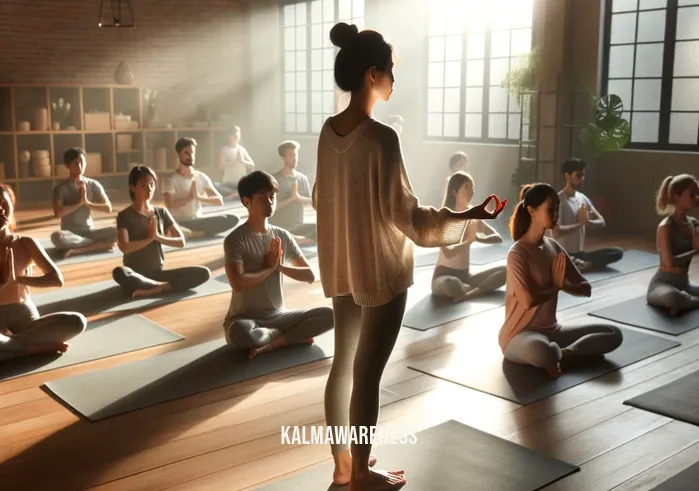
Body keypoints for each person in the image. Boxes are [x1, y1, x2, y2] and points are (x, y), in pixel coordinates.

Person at [314, 23, 507, 491]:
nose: (395, 80)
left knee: (343, 366)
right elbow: (412, 220)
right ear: (372, 73)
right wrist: (468, 216)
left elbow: (322, 197)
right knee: (365, 375)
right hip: (378, 272)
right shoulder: (381, 138)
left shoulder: (327, 131)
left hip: (340, 266)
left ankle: (344, 466)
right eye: (392, 71)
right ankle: (360, 475)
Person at [500, 183, 623, 379]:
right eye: (551, 209)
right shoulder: (517, 253)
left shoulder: (553, 247)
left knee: (613, 333)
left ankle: (564, 356)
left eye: (557, 208)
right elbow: (527, 301)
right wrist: (555, 286)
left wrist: (564, 285)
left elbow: (585, 288)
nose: (556, 214)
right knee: (540, 350)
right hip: (520, 335)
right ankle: (556, 356)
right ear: (531, 211)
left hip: (553, 331)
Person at [223, 171, 333, 359]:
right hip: (245, 320)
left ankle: (274, 342)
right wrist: (269, 268)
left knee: (330, 315)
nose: (270, 201)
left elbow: (309, 275)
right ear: (246, 201)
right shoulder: (235, 239)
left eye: (272, 196)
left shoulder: (282, 236)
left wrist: (279, 266)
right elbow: (238, 283)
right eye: (262, 197)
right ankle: (281, 335)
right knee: (239, 333)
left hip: (280, 316)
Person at [0, 183, 86, 362]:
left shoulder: (25, 243)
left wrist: (17, 279)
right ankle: (30, 348)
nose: (0, 210)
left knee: (77, 321)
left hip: (24, 313)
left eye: (3, 203)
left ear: (12, 206)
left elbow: (56, 279)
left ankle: (11, 346)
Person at [113, 166, 211, 299]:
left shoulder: (161, 212)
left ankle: (156, 288)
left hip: (158, 274)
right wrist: (148, 239)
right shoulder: (124, 216)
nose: (149, 189)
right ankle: (159, 286)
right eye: (144, 185)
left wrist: (158, 237)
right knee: (119, 272)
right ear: (132, 187)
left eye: (152, 185)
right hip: (135, 274)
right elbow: (124, 247)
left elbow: (181, 241)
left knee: (203, 273)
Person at [432, 172, 506, 302]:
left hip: (466, 276)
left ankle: (468, 292)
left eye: (473, 188)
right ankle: (473, 289)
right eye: (467, 187)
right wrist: (469, 240)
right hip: (444, 276)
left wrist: (478, 238)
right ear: (454, 191)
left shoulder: (473, 215)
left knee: (507, 271)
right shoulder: (444, 218)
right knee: (451, 284)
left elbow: (497, 237)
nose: (471, 192)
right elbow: (448, 253)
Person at [552, 158, 623, 271]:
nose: (582, 179)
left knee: (617, 252)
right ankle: (576, 265)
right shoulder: (558, 201)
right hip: (563, 254)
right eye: (579, 176)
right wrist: (580, 224)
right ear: (567, 176)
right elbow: (556, 232)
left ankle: (584, 265)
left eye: (583, 176)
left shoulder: (582, 198)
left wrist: (588, 222)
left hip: (580, 254)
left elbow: (602, 222)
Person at [162, 137, 240, 239]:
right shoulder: (170, 179)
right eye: (186, 153)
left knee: (232, 218)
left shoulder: (201, 177)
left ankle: (192, 233)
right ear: (178, 154)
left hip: (198, 220)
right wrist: (190, 198)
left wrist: (198, 197)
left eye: (192, 153)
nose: (190, 156)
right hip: (179, 221)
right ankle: (190, 232)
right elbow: (170, 205)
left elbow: (219, 200)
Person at [51, 147, 117, 258]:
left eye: (82, 161)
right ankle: (98, 245)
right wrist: (79, 203)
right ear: (67, 166)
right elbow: (58, 213)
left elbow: (108, 208)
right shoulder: (60, 188)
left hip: (90, 232)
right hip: (70, 234)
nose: (79, 165)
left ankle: (78, 250)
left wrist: (87, 203)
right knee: (57, 237)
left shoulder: (93, 184)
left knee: (120, 230)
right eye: (75, 163)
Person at [647, 174, 699, 315]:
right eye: (692, 195)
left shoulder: (693, 223)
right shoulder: (666, 227)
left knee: (679, 296)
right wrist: (695, 251)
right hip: (662, 285)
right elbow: (669, 263)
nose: (697, 198)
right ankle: (684, 301)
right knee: (673, 297)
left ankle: (685, 302)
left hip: (684, 284)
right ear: (677, 197)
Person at [270, 140, 316, 246]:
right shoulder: (274, 179)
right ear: (282, 157)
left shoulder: (302, 178)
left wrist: (298, 198)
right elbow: (272, 207)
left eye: (295, 154)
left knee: (324, 228)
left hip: (298, 226)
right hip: (281, 227)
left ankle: (295, 241)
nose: (294, 158)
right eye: (290, 155)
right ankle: (292, 240)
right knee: (279, 234)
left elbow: (311, 202)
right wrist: (291, 198)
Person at [216, 126, 255, 200]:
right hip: (229, 182)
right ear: (228, 136)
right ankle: (233, 195)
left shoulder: (242, 149)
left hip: (241, 181)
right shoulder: (224, 149)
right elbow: (221, 166)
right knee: (220, 189)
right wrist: (234, 162)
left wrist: (242, 161)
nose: (236, 138)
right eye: (234, 135)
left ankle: (235, 195)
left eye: (238, 135)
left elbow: (252, 164)